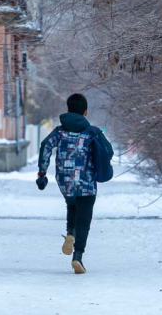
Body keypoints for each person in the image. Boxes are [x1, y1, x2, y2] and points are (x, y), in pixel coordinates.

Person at [36, 93, 113, 274]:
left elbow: (45, 146)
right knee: (84, 219)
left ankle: (70, 232)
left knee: (72, 207)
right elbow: (108, 151)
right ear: (85, 112)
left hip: (65, 182)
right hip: (86, 183)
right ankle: (77, 256)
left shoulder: (59, 132)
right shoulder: (92, 132)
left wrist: (42, 173)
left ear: (68, 109)